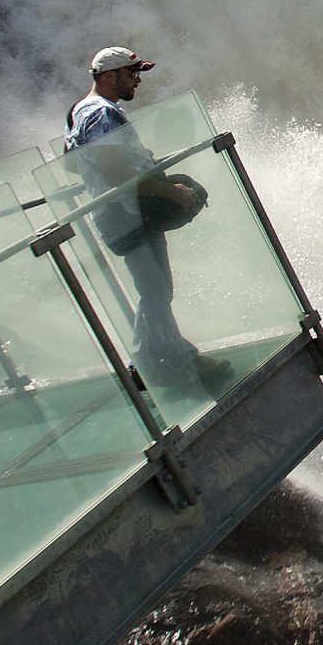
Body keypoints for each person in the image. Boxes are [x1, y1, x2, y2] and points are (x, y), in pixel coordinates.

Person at [64, 45, 219, 394]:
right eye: (131, 74)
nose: (137, 81)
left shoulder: (78, 111)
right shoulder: (104, 113)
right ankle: (161, 365)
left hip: (117, 210)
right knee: (155, 289)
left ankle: (152, 362)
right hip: (126, 211)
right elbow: (113, 168)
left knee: (156, 288)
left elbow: (70, 163)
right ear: (108, 76)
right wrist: (169, 191)